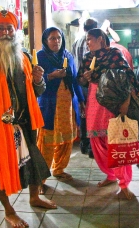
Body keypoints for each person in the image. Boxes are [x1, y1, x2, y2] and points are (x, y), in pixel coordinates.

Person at [0, 10, 57, 227]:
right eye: (0, 28)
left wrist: (38, 80)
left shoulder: (23, 57)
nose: (5, 33)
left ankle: (34, 198)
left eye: (9, 28)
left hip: (23, 124)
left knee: (32, 165)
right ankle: (9, 211)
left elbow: (37, 92)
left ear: (15, 32)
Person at [77, 28, 139, 200]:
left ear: (101, 40)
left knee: (116, 142)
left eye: (90, 39)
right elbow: (80, 79)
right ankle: (111, 175)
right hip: (94, 102)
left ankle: (124, 182)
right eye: (86, 39)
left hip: (112, 103)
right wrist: (86, 78)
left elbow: (127, 79)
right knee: (96, 140)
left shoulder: (114, 54)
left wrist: (125, 104)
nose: (87, 42)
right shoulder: (88, 57)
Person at [36, 27, 85, 186]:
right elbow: (33, 80)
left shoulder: (68, 56)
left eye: (58, 38)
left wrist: (82, 101)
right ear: (45, 40)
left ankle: (59, 169)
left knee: (66, 139)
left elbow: (75, 79)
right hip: (50, 105)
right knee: (47, 142)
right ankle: (40, 179)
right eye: (52, 38)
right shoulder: (40, 57)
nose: (56, 41)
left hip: (68, 105)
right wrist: (51, 76)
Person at [71, 18, 98, 158]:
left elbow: (74, 63)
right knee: (94, 114)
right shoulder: (96, 42)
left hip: (80, 83)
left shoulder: (76, 42)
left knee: (83, 113)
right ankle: (93, 147)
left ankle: (84, 144)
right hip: (92, 84)